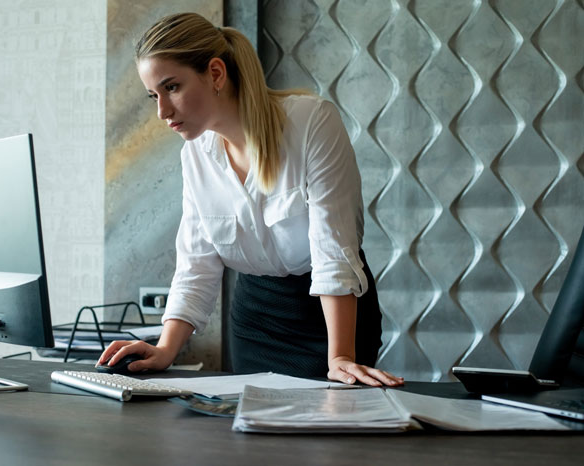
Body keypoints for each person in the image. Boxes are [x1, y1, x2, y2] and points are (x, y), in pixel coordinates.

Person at [98, 12, 404, 387]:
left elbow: (334, 250)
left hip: (330, 317)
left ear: (215, 73)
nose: (162, 111)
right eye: (153, 96)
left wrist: (339, 355)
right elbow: (196, 264)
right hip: (256, 317)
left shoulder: (312, 123)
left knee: (326, 437)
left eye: (172, 87)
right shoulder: (195, 153)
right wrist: (164, 349)